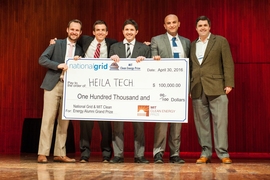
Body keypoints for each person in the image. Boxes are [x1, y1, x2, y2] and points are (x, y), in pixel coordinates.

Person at [190, 16, 234, 164]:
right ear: (196, 28)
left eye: (205, 25)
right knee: (201, 123)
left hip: (217, 87)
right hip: (197, 88)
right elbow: (191, 68)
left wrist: (229, 84)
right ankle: (205, 153)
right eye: (200, 26)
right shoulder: (192, 45)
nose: (202, 28)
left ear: (209, 27)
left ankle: (223, 153)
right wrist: (190, 87)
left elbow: (228, 63)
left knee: (220, 122)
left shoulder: (220, 41)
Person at [37, 19, 83, 163]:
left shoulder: (81, 49)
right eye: (72, 29)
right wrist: (58, 66)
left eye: (77, 30)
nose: (74, 32)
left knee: (64, 121)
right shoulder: (56, 44)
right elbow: (42, 59)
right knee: (48, 119)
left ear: (80, 32)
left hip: (70, 88)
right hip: (53, 85)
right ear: (67, 30)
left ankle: (59, 153)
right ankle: (42, 153)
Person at [109, 19, 151, 163]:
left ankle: (139, 155)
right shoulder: (114, 47)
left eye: (132, 30)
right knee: (118, 126)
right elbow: (110, 70)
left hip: (139, 93)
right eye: (126, 29)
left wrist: (145, 61)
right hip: (119, 93)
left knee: (139, 126)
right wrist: (111, 60)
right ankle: (118, 155)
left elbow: (150, 71)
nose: (129, 32)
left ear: (136, 32)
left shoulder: (145, 49)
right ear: (122, 31)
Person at [151, 14, 190, 164]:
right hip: (162, 87)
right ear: (164, 25)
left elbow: (190, 65)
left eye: (174, 22)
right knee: (161, 121)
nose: (172, 25)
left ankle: (175, 154)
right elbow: (153, 60)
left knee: (177, 122)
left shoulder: (186, 42)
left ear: (179, 24)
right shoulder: (157, 40)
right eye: (169, 23)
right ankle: (158, 153)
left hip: (180, 88)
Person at [78, 20, 117, 163]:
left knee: (105, 124)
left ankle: (107, 154)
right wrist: (55, 42)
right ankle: (84, 154)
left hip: (105, 88)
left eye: (103, 30)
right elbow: (69, 40)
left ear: (107, 33)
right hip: (86, 87)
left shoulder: (113, 44)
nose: (100, 32)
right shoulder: (84, 41)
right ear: (93, 32)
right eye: (97, 30)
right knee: (86, 122)